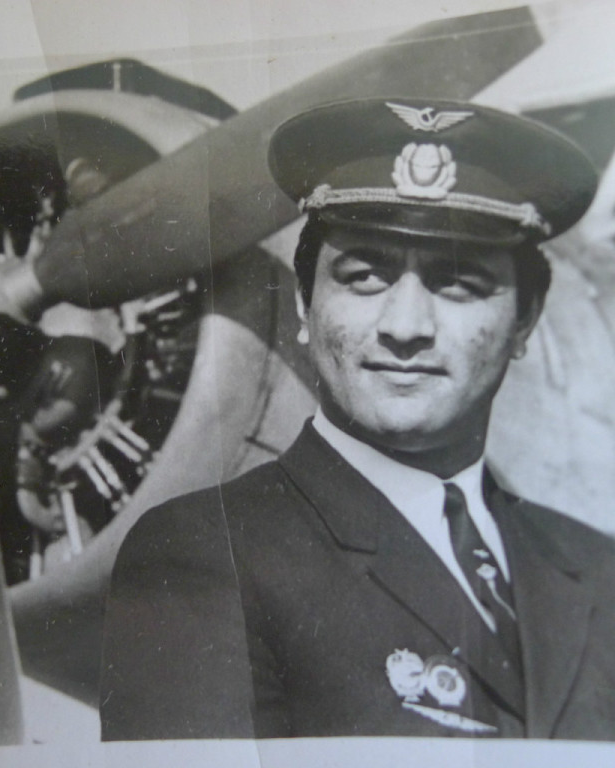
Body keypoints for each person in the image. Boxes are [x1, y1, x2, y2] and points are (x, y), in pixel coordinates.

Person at [98, 98, 615, 740]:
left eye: (459, 283)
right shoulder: (205, 553)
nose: (405, 327)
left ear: (524, 321)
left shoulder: (599, 570)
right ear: (305, 305)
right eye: (365, 275)